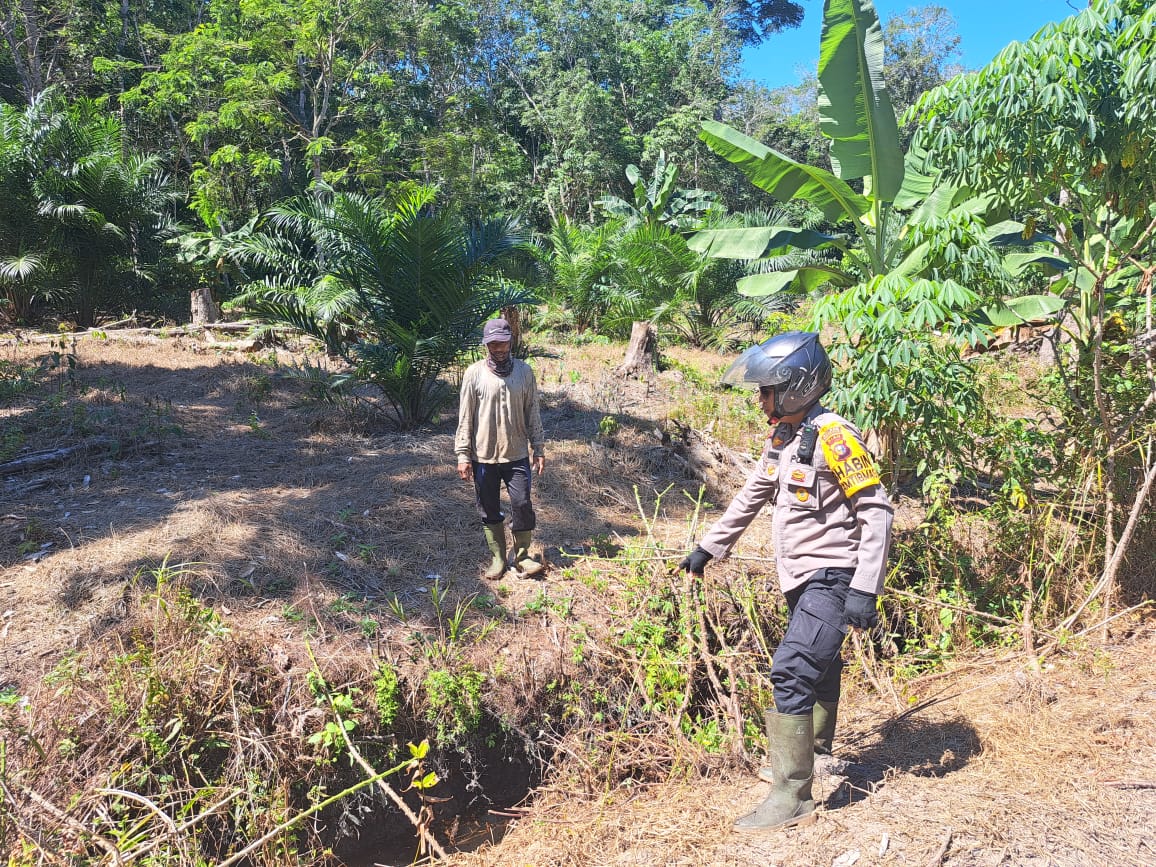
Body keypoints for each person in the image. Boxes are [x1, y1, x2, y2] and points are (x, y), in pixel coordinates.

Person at [679, 330, 893, 832]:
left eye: (765, 390)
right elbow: (753, 492)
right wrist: (710, 546)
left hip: (834, 578)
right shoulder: (784, 435)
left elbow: (877, 510)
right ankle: (817, 756)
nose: (759, 400)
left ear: (795, 386)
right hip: (799, 578)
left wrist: (865, 587)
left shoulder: (835, 436)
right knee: (819, 669)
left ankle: (792, 795)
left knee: (792, 671)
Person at [455, 318, 546, 579]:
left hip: (516, 452)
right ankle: (497, 558)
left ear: (510, 341)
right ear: (486, 345)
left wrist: (538, 448)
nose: (499, 348)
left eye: (503, 342)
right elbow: (465, 417)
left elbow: (533, 413)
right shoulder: (474, 373)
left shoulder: (524, 372)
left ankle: (522, 556)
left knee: (522, 503)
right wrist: (463, 454)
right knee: (489, 506)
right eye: (493, 343)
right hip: (483, 456)